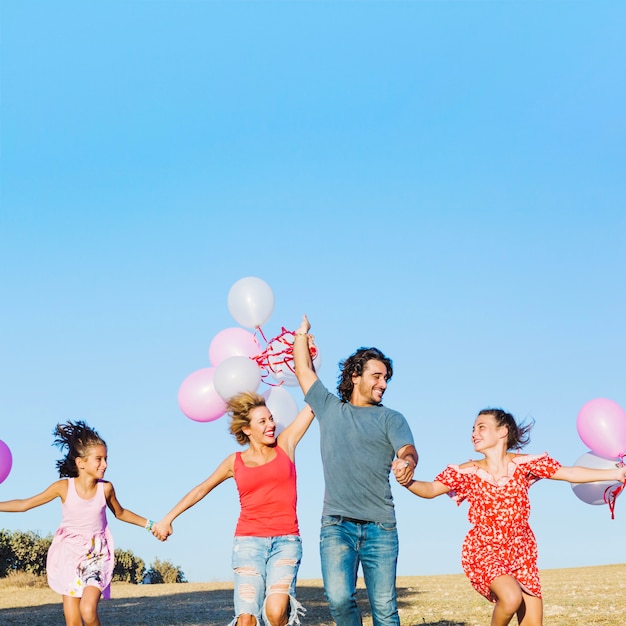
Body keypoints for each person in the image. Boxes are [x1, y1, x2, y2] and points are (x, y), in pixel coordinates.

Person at [398, 408, 626, 626]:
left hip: (521, 552)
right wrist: (407, 481)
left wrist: (616, 473)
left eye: (481, 427)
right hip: (484, 550)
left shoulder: (526, 465)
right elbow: (430, 489)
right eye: (473, 429)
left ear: (502, 431)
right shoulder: (466, 472)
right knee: (510, 597)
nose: (474, 434)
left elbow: (570, 473)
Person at [292, 314, 418, 626]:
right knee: (338, 600)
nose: (383, 383)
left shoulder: (392, 418)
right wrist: (301, 335)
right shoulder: (329, 408)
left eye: (386, 378)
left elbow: (407, 450)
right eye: (377, 376)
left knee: (385, 611)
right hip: (336, 526)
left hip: (381, 528)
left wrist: (407, 463)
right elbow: (303, 370)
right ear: (354, 376)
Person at [153, 390, 315, 626]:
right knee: (247, 618)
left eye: (271, 418)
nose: (271, 424)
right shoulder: (235, 461)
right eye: (263, 421)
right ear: (247, 429)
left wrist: (305, 361)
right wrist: (169, 518)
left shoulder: (285, 445)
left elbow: (313, 406)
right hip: (248, 544)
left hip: (286, 542)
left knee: (276, 611)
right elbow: (201, 488)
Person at [0, 420, 155, 626]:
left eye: (106, 459)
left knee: (88, 610)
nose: (105, 464)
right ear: (81, 463)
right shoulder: (63, 487)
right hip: (68, 554)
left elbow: (121, 513)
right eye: (99, 459)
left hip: (96, 554)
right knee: (72, 621)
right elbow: (25, 504)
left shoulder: (106, 489)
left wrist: (151, 525)